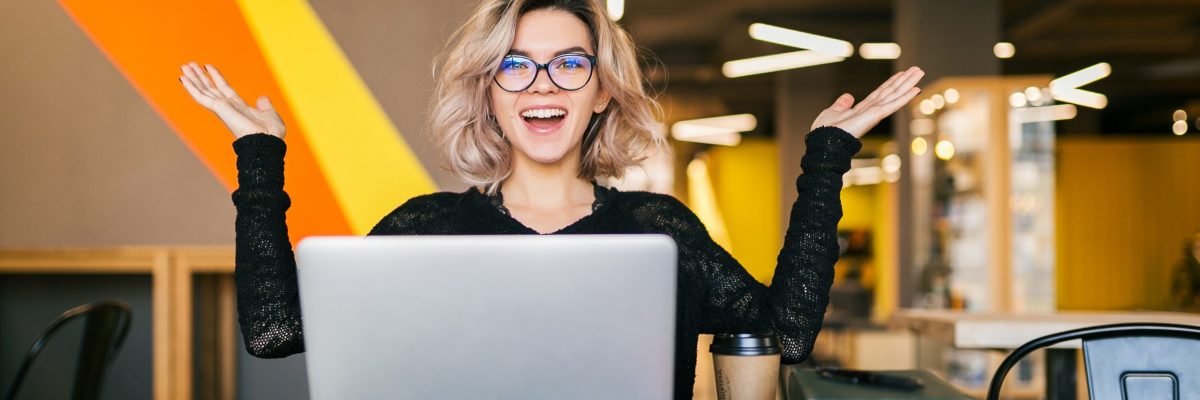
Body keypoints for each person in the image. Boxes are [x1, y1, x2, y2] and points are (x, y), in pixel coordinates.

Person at [178, 0, 923, 397]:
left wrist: (827, 158)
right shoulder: (426, 230)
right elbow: (275, 333)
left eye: (570, 64)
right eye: (516, 66)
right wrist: (259, 157)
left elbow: (784, 335)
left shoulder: (655, 231)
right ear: (489, 94)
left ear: (601, 91)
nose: (541, 84)